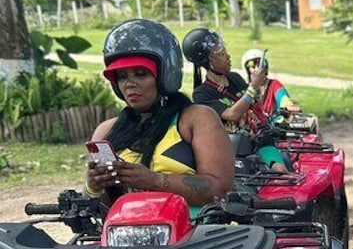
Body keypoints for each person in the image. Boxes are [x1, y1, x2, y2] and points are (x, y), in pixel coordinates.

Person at [86, 19, 234, 210]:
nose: (129, 83)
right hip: (123, 233)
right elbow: (93, 210)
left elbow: (219, 189)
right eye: (121, 77)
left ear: (166, 73)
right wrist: (93, 187)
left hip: (193, 234)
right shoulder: (106, 131)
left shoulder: (196, 118)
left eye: (140, 74)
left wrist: (155, 181)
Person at [181, 28, 289, 172]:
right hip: (231, 150)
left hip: (259, 140)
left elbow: (252, 101)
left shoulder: (235, 78)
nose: (228, 56)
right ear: (208, 61)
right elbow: (232, 114)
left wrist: (257, 87)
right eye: (221, 53)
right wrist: (253, 86)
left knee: (279, 170)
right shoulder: (202, 93)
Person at [241, 48, 301, 115]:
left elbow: (283, 97)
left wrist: (289, 105)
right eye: (253, 66)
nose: (258, 69)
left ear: (266, 69)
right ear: (247, 71)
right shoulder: (244, 89)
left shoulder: (274, 85)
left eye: (261, 65)